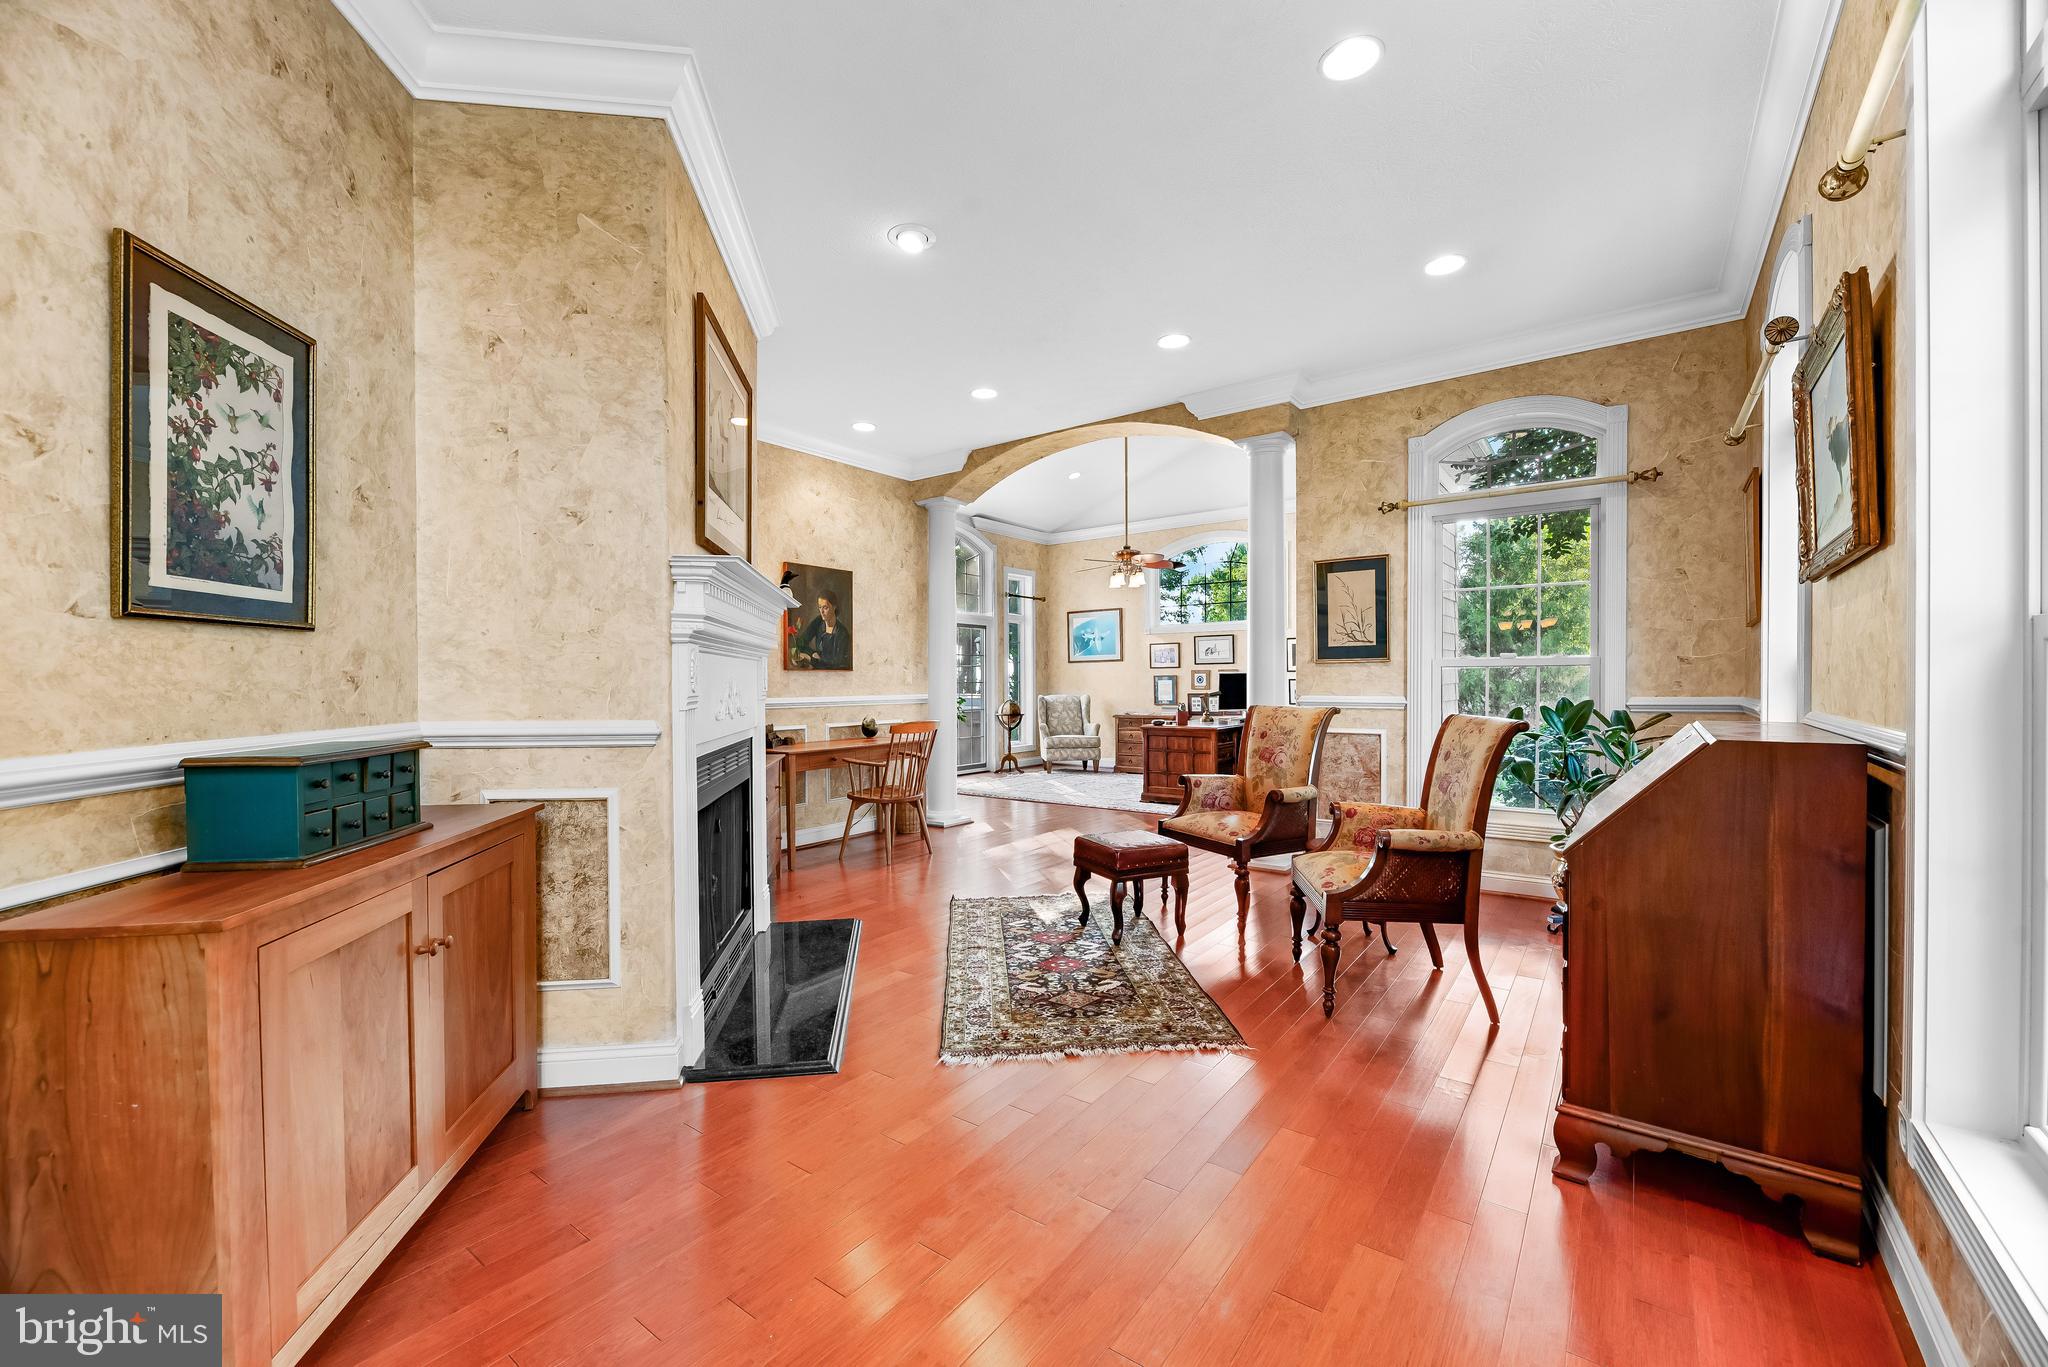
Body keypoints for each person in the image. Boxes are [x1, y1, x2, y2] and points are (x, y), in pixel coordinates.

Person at [789, 588, 851, 668]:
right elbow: (801, 642)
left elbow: (837, 662)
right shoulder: (818, 621)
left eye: (825, 608)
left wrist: (813, 658)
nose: (821, 612)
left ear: (834, 607)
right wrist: (812, 654)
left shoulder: (842, 633)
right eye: (820, 607)